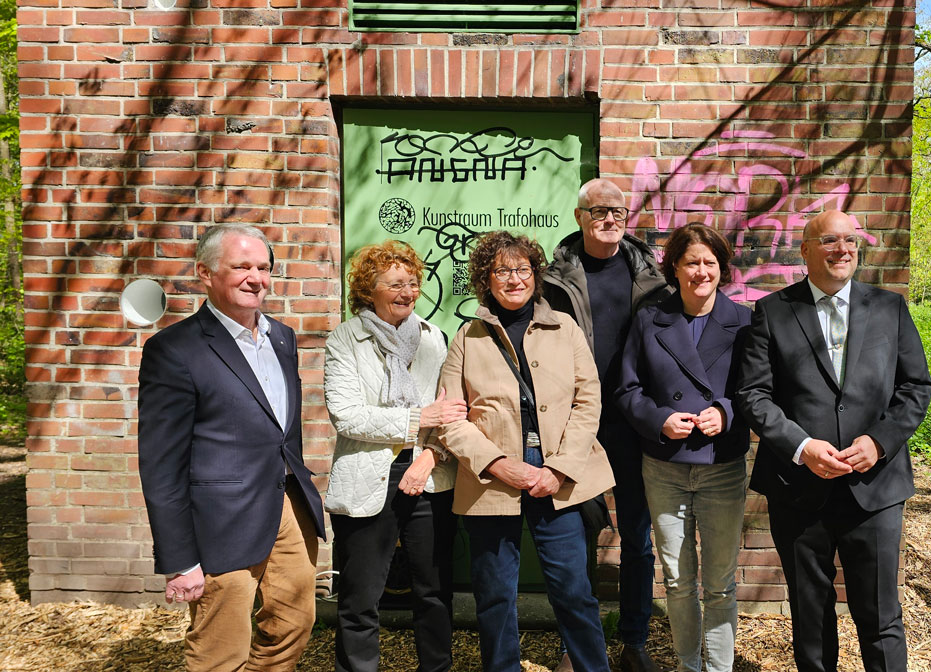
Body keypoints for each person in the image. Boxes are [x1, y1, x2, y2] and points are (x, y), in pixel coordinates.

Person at [736, 210, 931, 672]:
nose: (842, 249)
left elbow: (916, 387)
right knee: (810, 614)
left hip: (877, 488)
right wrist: (802, 447)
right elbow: (753, 394)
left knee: (880, 614)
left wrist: (880, 442)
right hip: (800, 487)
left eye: (850, 240)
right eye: (828, 240)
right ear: (804, 250)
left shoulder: (889, 308)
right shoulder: (772, 311)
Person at [138, 224, 326, 671]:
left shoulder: (282, 337)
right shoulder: (174, 349)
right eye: (241, 266)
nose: (255, 277)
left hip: (286, 504)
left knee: (295, 622)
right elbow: (161, 466)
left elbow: (281, 432)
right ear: (205, 273)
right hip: (220, 522)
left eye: (263, 267)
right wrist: (180, 560)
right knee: (221, 647)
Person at [437, 231, 615, 672]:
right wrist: (497, 464)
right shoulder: (467, 337)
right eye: (502, 270)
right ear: (486, 279)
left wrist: (559, 468)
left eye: (522, 269)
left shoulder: (566, 329)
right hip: (492, 480)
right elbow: (449, 417)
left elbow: (588, 402)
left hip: (558, 475)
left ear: (535, 275)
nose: (514, 279)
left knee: (573, 589)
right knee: (495, 593)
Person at [543, 178, 670, 672]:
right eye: (597, 211)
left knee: (637, 537)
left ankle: (634, 641)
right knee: (575, 538)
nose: (609, 218)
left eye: (616, 210)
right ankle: (577, 644)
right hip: (577, 423)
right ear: (579, 217)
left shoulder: (651, 277)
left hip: (635, 422)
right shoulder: (555, 279)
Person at [324, 240, 468, 672]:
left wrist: (428, 457)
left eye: (412, 283)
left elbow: (453, 412)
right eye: (394, 284)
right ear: (369, 290)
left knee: (434, 592)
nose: (407, 292)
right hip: (368, 475)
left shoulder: (434, 338)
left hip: (430, 474)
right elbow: (347, 416)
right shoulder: (345, 339)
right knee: (360, 596)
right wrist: (417, 417)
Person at [615, 224, 753, 672]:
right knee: (676, 581)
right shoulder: (649, 318)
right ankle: (688, 666)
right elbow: (628, 390)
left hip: (721, 465)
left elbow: (760, 391)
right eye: (691, 262)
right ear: (674, 266)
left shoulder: (745, 322)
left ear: (722, 268)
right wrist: (659, 419)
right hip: (665, 466)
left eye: (709, 263)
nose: (700, 271)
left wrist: (727, 413)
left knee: (719, 584)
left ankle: (718, 669)